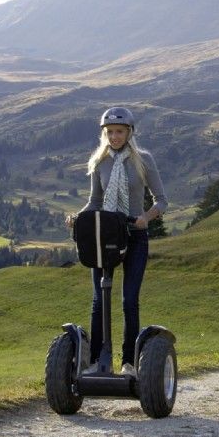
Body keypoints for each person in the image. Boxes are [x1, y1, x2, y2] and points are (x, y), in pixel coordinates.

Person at [66, 107, 167, 376]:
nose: (114, 137)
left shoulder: (143, 159)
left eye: (119, 132)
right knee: (99, 300)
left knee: (128, 300)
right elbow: (95, 201)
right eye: (109, 132)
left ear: (129, 132)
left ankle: (129, 363)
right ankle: (97, 362)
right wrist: (78, 217)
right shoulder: (100, 162)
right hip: (105, 235)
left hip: (134, 235)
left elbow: (162, 200)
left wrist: (146, 216)